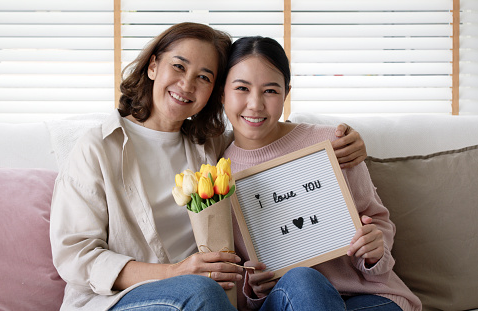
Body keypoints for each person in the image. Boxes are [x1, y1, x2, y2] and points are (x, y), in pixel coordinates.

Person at [50, 23, 367, 311]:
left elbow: (265, 135)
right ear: (152, 66)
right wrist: (175, 273)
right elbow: (75, 255)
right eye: (178, 66)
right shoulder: (97, 147)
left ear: (214, 93)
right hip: (118, 300)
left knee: (226, 290)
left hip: (212, 298)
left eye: (204, 77)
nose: (187, 85)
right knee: (200, 290)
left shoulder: (213, 146)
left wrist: (341, 140)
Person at [222, 36, 422, 311]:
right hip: (291, 299)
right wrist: (253, 288)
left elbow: (376, 219)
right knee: (303, 279)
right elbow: (236, 278)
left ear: (286, 93)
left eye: (270, 90)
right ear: (222, 92)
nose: (255, 104)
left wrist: (374, 249)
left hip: (367, 298)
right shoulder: (219, 176)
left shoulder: (333, 144)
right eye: (242, 88)